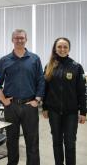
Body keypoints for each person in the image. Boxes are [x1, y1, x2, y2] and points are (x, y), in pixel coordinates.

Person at [0, 29, 45, 165]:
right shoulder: (4, 60)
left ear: (26, 39)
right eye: (16, 38)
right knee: (11, 140)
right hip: (11, 106)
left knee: (32, 140)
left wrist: (37, 100)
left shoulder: (35, 59)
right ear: (12, 40)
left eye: (22, 38)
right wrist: (3, 100)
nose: (19, 40)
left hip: (30, 105)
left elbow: (41, 80)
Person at [42, 37, 86, 165]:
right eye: (59, 47)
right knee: (56, 142)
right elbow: (45, 89)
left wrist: (83, 112)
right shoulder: (49, 66)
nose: (62, 49)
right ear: (55, 49)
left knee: (70, 142)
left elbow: (81, 92)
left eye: (65, 47)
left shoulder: (76, 67)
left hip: (71, 113)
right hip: (54, 112)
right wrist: (45, 107)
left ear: (69, 49)